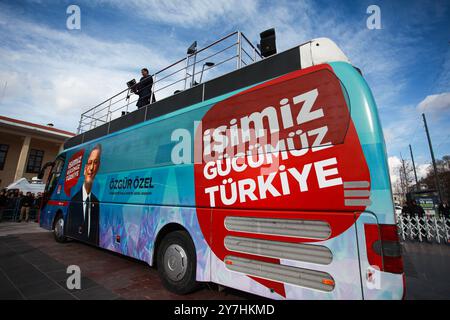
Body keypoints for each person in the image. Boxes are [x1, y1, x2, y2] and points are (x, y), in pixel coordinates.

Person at [67, 144, 101, 245]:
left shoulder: (96, 202)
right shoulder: (73, 201)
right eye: (89, 163)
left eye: (95, 163)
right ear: (84, 168)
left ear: (98, 168)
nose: (91, 168)